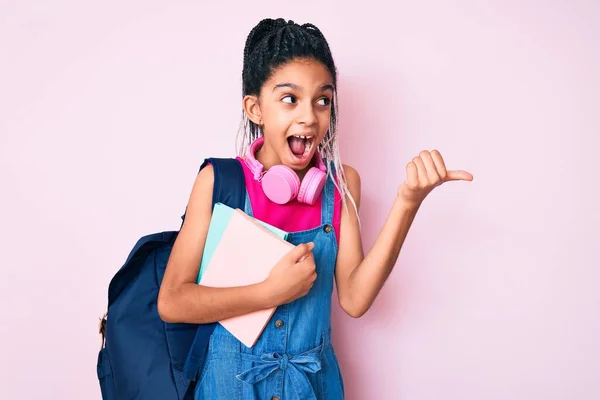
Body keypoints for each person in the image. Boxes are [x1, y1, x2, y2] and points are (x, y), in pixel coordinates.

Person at [157, 17, 473, 400]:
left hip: (313, 389)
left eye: (322, 100)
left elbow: (355, 299)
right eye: (290, 98)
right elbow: (173, 301)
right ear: (255, 108)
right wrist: (269, 291)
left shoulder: (342, 184)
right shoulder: (218, 182)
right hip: (228, 388)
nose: (310, 116)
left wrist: (407, 203)